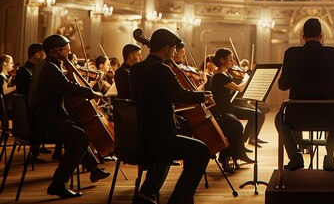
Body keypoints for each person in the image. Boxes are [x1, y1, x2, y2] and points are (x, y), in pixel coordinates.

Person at [130, 28, 211, 204]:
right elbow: (180, 96)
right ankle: (178, 200)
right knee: (202, 151)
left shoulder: (136, 69)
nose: (175, 52)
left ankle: (146, 194)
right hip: (161, 138)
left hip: (142, 136)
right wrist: (204, 96)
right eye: (174, 48)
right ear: (166, 48)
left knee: (178, 150)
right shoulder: (162, 70)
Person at [28, 34, 110, 199]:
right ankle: (58, 184)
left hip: (43, 119)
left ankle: (93, 168)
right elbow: (67, 87)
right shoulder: (51, 68)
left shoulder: (45, 65)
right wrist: (91, 92)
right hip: (46, 122)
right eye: (67, 50)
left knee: (78, 132)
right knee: (81, 137)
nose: (70, 53)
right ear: (57, 51)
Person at [276, 17, 334, 171]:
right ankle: (329, 157)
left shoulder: (291, 53)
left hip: (297, 117)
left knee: (279, 119)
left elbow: (282, 85)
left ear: (302, 36)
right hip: (329, 117)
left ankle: (295, 157)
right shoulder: (333, 53)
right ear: (321, 35)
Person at [209, 49, 255, 172]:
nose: (233, 62)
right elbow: (239, 88)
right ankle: (236, 153)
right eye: (230, 59)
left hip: (226, 107)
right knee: (235, 125)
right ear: (222, 60)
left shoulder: (224, 74)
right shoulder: (219, 76)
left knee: (243, 121)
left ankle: (239, 151)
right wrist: (246, 77)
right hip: (221, 111)